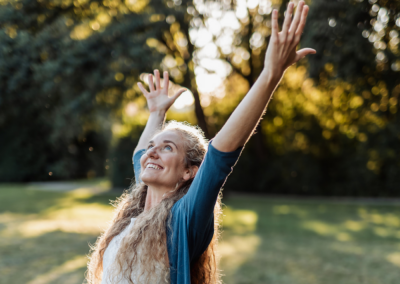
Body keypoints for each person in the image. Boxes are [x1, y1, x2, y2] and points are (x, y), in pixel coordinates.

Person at [85, 1, 316, 283]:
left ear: (189, 171)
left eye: (167, 147)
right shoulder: (137, 209)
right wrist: (157, 113)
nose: (152, 152)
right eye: (153, 146)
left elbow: (220, 154)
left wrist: (270, 74)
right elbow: (141, 156)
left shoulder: (183, 219)